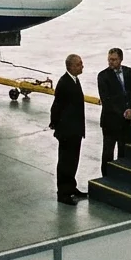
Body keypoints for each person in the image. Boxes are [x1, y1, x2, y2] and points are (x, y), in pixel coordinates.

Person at [50, 54, 87, 205]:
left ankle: (71, 187)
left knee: (73, 160)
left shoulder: (74, 80)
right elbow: (56, 106)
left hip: (75, 130)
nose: (82, 66)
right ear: (70, 66)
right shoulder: (64, 83)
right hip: (67, 131)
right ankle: (63, 193)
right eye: (79, 64)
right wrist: (56, 126)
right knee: (65, 162)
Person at [98, 47, 131, 174]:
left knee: (124, 151)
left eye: (114, 60)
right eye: (109, 60)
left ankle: (121, 176)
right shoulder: (103, 76)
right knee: (108, 152)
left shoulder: (129, 72)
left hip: (126, 122)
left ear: (121, 59)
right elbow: (107, 100)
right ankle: (106, 177)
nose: (111, 62)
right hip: (111, 121)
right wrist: (124, 112)